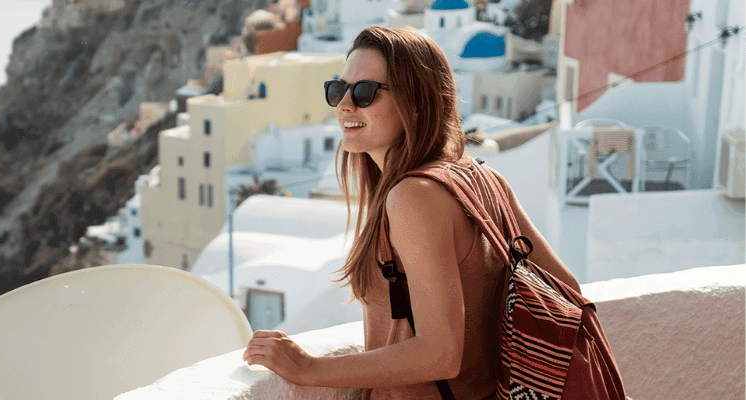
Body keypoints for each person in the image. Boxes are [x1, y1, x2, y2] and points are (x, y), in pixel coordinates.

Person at [242, 26, 580, 399]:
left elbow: (440, 354)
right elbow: (568, 290)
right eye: (338, 90)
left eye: (365, 92)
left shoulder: (412, 197)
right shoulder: (483, 178)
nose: (344, 105)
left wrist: (309, 368)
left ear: (417, 102)